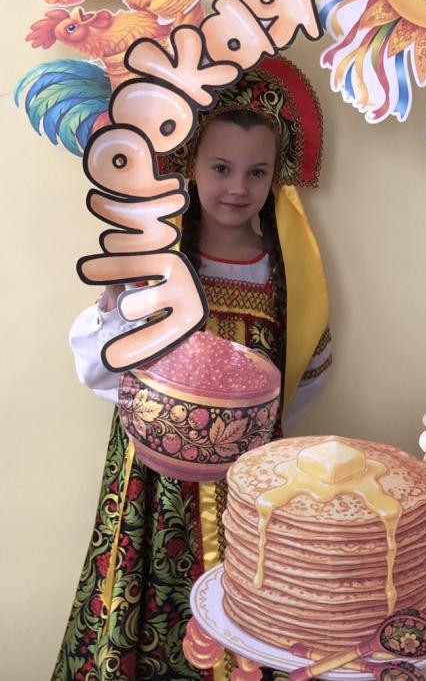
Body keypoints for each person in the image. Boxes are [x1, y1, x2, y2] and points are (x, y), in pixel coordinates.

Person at [53, 56, 332, 681]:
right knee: (151, 602)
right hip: (151, 480)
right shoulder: (156, 264)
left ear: (277, 177)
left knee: (246, 616)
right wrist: (115, 306)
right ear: (190, 166)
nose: (238, 187)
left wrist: (248, 432)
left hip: (250, 485)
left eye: (256, 172)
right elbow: (99, 372)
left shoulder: (285, 274)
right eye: (221, 168)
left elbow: (304, 377)